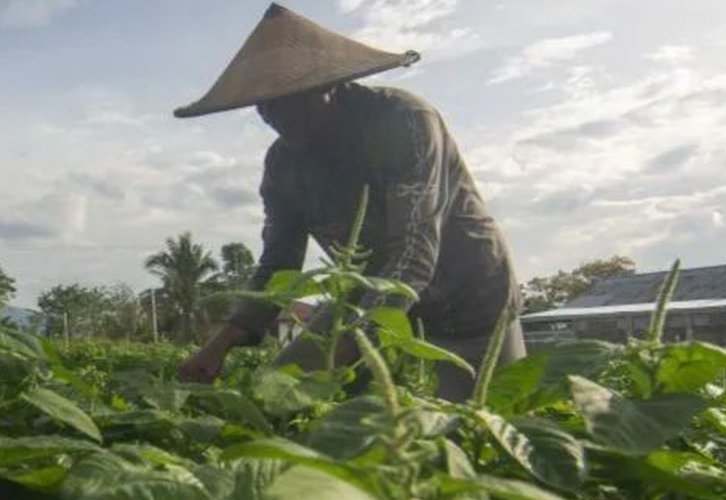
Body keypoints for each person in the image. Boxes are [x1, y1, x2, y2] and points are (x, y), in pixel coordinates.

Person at [173, 3, 525, 401]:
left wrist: (353, 342)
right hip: (363, 300)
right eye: (264, 104)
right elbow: (279, 263)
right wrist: (222, 342)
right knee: (279, 392)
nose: (275, 115)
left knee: (477, 429)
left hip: (466, 303)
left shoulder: (402, 120)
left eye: (289, 100)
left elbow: (413, 248)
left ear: (328, 87)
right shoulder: (283, 164)